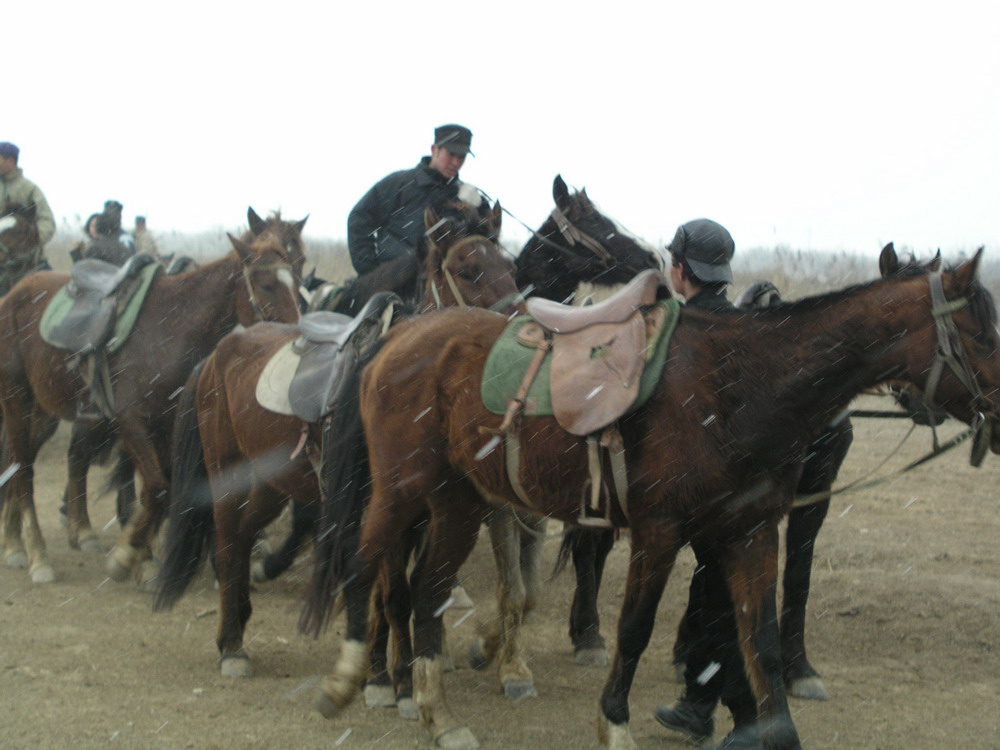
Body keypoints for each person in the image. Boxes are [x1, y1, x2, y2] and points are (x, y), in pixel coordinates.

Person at [654, 218, 763, 750]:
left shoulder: (685, 330)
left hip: (713, 497)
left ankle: (747, 722)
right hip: (740, 491)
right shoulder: (742, 327)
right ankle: (698, 706)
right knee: (711, 596)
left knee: (721, 604)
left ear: (680, 269)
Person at [347, 123, 482, 281]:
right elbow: (359, 219)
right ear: (434, 150)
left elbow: (485, 239)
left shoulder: (465, 198)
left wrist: (480, 208)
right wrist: (371, 272)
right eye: (451, 154)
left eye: (462, 157)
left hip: (440, 288)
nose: (456, 162)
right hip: (392, 283)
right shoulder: (398, 184)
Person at [0, 141, 56, 273]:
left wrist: (31, 243)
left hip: (25, 263)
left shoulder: (30, 189)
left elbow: (47, 221)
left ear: (11, 161)